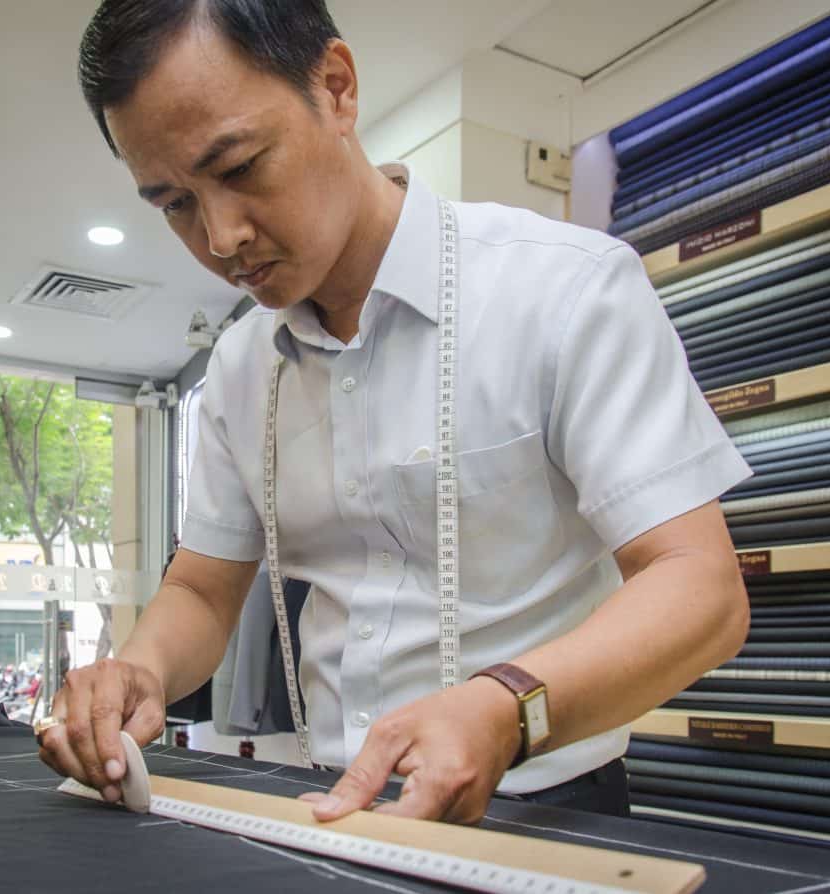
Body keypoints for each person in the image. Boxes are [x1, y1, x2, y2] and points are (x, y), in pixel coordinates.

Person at [37, 0, 752, 824]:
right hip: (318, 802)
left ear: (336, 89)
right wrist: (142, 671)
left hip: (542, 799)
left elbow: (702, 589)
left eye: (236, 169)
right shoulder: (239, 369)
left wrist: (504, 708)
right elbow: (202, 591)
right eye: (174, 204)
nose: (222, 237)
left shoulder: (565, 290)